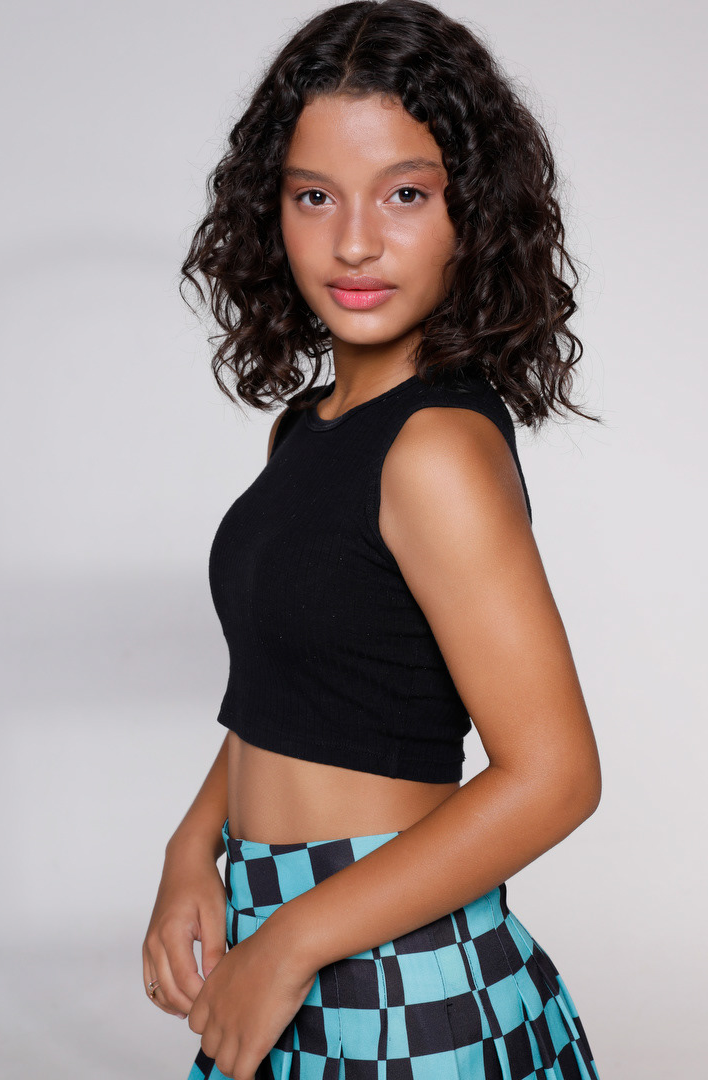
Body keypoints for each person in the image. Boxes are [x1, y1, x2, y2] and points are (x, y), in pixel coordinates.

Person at [142, 2, 604, 1078]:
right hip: (284, 939)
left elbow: (555, 775)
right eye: (315, 195)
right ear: (271, 210)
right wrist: (193, 846)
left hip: (396, 963)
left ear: (472, 213)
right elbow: (293, 690)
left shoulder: (436, 448)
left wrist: (292, 941)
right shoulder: (306, 431)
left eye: (405, 193)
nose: (353, 241)